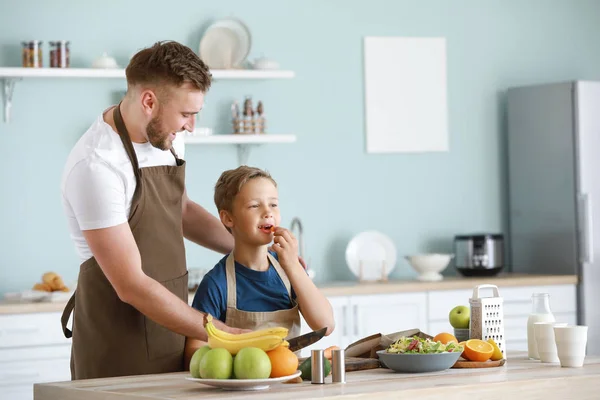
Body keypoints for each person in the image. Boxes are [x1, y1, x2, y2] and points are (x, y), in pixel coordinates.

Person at [59, 41, 244, 380]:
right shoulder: (97, 165)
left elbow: (183, 210)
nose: (190, 125)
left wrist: (247, 248)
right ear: (149, 101)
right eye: (186, 114)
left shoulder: (167, 137)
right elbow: (131, 285)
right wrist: (222, 332)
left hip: (172, 329)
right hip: (116, 347)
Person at [185, 166, 335, 365]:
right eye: (255, 206)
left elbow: (325, 325)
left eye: (273, 204)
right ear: (228, 218)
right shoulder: (216, 283)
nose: (267, 213)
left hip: (290, 385)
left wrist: (292, 266)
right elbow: (193, 351)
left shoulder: (289, 270)